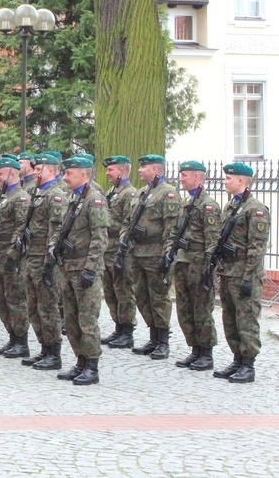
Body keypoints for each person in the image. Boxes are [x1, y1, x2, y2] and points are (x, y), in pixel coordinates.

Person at [209, 162, 269, 383]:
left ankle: (248, 364)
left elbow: (257, 247)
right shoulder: (230, 207)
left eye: (228, 179)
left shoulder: (256, 209)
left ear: (241, 181)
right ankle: (237, 358)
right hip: (227, 272)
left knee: (246, 320)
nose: (225, 182)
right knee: (230, 318)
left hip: (244, 273)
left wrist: (249, 277)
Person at [51, 156, 109, 385]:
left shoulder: (94, 201)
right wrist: (52, 246)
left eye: (69, 173)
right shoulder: (72, 199)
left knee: (87, 320)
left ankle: (92, 366)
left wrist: (90, 268)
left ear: (83, 175)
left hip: (86, 269)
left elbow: (100, 238)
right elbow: (61, 228)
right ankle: (80, 361)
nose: (64, 177)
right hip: (69, 267)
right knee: (72, 320)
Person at [119, 155, 181, 360]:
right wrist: (123, 238)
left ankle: (163, 340)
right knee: (142, 297)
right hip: (137, 253)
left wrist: (167, 254)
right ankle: (153, 337)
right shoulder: (141, 193)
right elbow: (127, 221)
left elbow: (171, 228)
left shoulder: (168, 194)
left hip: (156, 254)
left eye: (143, 167)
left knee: (159, 298)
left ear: (155, 169)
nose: (139, 170)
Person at [163, 161, 220, 371]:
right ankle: (194, 349)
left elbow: (213, 240)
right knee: (185, 309)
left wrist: (208, 268)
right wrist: (170, 251)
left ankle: (206, 352)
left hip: (198, 265)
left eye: (184, 175)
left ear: (197, 177)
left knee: (201, 310)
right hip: (183, 262)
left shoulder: (208, 206)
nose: (181, 178)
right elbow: (174, 231)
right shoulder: (186, 203)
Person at [19, 153, 68, 369]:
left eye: (39, 169)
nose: (35, 172)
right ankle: (43, 348)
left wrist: (50, 261)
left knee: (47, 306)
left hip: (45, 259)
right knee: (33, 306)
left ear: (50, 170)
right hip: (32, 256)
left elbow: (55, 230)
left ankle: (54, 352)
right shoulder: (38, 193)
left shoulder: (55, 195)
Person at [0, 157, 30, 358]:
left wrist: (12, 254)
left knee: (15, 299)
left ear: (12, 174)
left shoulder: (20, 197)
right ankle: (12, 336)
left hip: (9, 257)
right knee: (1, 300)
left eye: (1, 173)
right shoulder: (1, 196)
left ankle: (22, 341)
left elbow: (22, 228)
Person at [100, 156, 138, 348]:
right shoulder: (112, 192)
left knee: (123, 290)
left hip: (119, 249)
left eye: (111, 170)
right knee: (110, 291)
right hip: (107, 247)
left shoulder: (129, 194)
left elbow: (127, 222)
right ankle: (118, 327)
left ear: (122, 171)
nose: (107, 173)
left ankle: (127, 330)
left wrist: (122, 249)